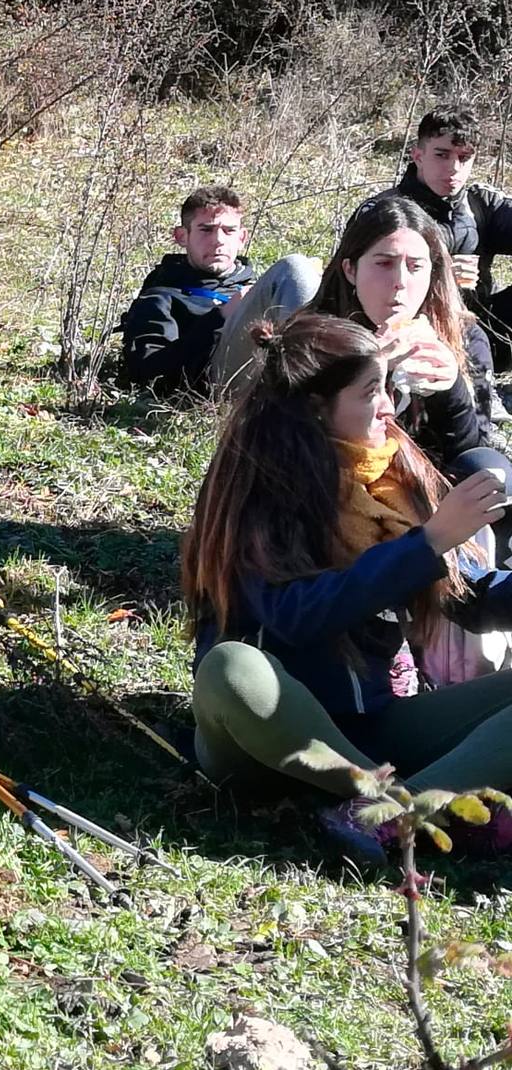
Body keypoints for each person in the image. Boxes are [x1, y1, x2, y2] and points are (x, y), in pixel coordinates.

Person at [182, 311, 512, 860]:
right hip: (268, 742)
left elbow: (472, 596)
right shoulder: (256, 485)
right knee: (230, 667)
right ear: (316, 408)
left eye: (389, 388)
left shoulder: (393, 476)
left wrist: (435, 545)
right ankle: (400, 806)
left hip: (374, 728)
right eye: (371, 393)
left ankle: (386, 814)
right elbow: (295, 615)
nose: (390, 406)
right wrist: (427, 544)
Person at [307, 195, 506, 481]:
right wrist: (368, 371)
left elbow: (473, 455)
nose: (400, 281)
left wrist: (451, 389)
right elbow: (285, 436)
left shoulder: (466, 338)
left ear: (433, 272)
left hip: (434, 499)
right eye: (384, 263)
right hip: (337, 488)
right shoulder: (313, 335)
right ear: (351, 270)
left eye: (415, 266)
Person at [117, 185, 320, 396]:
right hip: (216, 380)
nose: (218, 240)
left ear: (242, 238)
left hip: (273, 372)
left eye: (229, 231)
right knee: (294, 267)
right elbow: (145, 372)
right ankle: (314, 393)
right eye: (206, 230)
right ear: (182, 236)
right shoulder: (162, 295)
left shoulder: (259, 285)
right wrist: (221, 315)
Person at [388, 107, 512, 371]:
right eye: (442, 155)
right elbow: (358, 287)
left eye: (464, 157)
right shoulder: (387, 213)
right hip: (416, 338)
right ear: (418, 156)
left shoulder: (481, 202)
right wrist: (437, 276)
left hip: (486, 333)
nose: (453, 168)